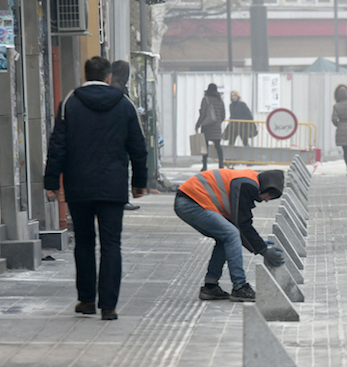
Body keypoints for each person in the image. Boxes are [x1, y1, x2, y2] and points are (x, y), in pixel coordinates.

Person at [44, 56, 148, 320]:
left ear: (85, 74)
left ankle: (87, 300)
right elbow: (138, 147)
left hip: (79, 186)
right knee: (112, 244)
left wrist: (51, 182)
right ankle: (109, 306)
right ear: (109, 77)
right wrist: (139, 183)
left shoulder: (70, 103)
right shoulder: (124, 105)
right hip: (113, 187)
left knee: (84, 243)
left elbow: (58, 146)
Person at [174, 169, 286, 301]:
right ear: (266, 187)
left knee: (226, 237)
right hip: (192, 201)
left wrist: (260, 245)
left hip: (191, 200)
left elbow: (241, 223)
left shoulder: (249, 181)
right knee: (231, 233)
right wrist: (263, 250)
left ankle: (210, 287)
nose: (267, 200)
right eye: (269, 196)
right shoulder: (247, 185)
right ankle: (240, 287)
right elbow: (242, 224)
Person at [111, 60, 142, 211]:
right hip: (119, 134)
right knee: (121, 168)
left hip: (113, 134)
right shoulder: (118, 87)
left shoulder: (114, 84)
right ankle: (122, 198)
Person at [196, 83, 226, 171]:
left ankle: (204, 165)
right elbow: (223, 114)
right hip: (217, 127)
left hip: (207, 126)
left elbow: (203, 113)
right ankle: (221, 165)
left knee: (205, 147)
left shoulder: (205, 100)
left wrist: (198, 124)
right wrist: (218, 122)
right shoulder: (220, 100)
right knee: (218, 146)